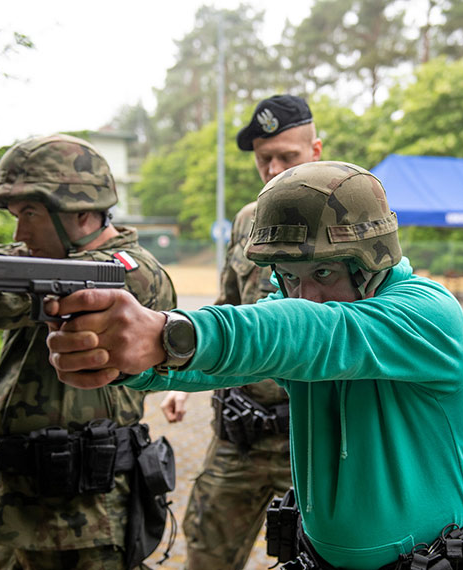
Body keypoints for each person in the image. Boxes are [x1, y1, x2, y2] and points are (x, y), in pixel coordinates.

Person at [46, 160, 463, 570]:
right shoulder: (304, 314)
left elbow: (308, 330)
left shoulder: (427, 315)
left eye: (324, 273)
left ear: (372, 261)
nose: (303, 295)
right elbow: (238, 357)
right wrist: (124, 359)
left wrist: (168, 333)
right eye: (290, 276)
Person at [0, 134, 177, 569]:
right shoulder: (45, 260)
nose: (19, 233)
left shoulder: (127, 276)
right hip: (21, 507)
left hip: (85, 521)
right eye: (14, 215)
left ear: (81, 212)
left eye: (31, 214)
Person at [160, 94, 322, 569]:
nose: (273, 169)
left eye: (286, 157)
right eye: (263, 159)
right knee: (208, 549)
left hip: (315, 434)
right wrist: (187, 379)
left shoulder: (351, 219)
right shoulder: (248, 222)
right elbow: (228, 306)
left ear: (315, 149)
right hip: (241, 432)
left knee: (326, 556)